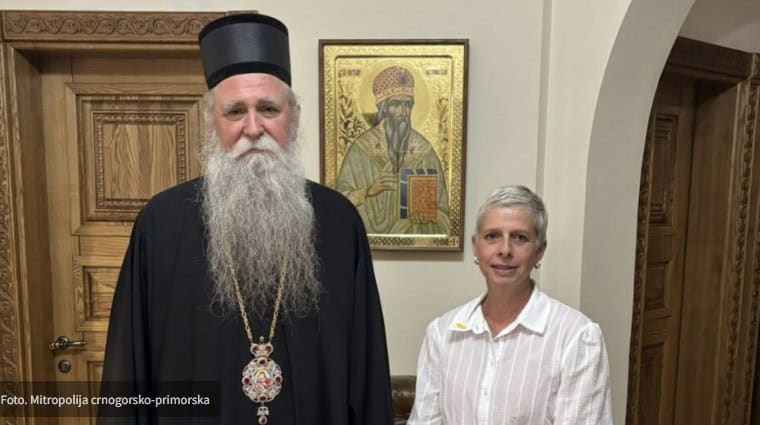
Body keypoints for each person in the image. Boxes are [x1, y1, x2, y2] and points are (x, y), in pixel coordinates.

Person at [98, 13, 393, 425]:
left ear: (293, 119)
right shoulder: (160, 225)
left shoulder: (339, 223)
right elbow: (129, 375)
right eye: (235, 111)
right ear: (212, 124)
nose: (253, 128)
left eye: (268, 109)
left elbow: (366, 371)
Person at [407, 186, 612, 425]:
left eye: (519, 237)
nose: (505, 250)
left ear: (540, 251)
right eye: (492, 236)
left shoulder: (577, 337)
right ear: (476, 246)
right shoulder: (442, 333)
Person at [335, 65, 450, 235]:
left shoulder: (424, 150)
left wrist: (429, 214)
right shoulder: (360, 149)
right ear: (383, 108)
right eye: (395, 104)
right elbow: (338, 202)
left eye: (408, 105)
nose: (403, 112)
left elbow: (444, 211)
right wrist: (369, 191)